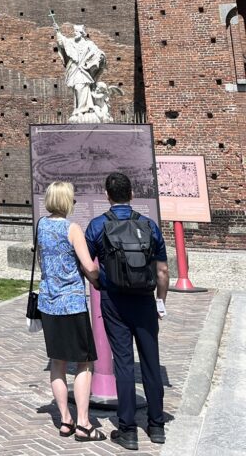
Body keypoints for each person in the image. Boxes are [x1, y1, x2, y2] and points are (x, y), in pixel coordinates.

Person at [85, 172, 169, 449]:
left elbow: (86, 264)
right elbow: (163, 270)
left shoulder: (98, 225)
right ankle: (156, 426)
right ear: (132, 194)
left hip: (114, 300)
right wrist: (160, 300)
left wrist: (97, 282)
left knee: (123, 362)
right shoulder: (149, 225)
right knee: (150, 360)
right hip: (145, 299)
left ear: (107, 196)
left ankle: (128, 430)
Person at [37, 180, 105, 442]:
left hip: (48, 303)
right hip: (72, 303)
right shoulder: (72, 228)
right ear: (67, 202)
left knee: (57, 362)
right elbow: (89, 266)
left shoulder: (41, 226)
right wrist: (100, 275)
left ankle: (65, 419)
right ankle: (84, 424)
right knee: (84, 362)